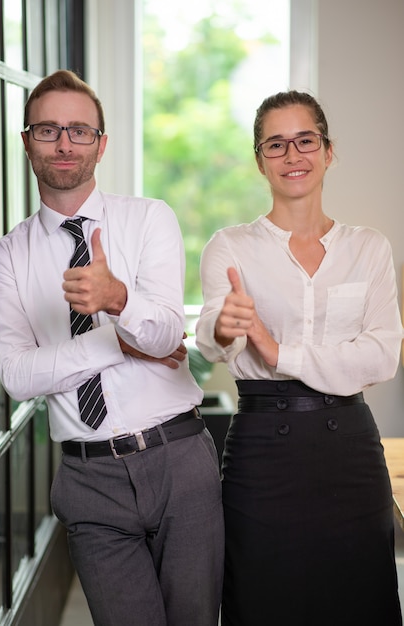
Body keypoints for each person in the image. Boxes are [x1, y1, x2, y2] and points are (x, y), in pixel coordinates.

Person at [0, 69, 224, 626]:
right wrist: (120, 340)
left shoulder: (149, 219)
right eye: (48, 130)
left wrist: (118, 297)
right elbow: (17, 378)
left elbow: (168, 336)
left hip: (179, 462)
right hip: (88, 480)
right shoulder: (8, 256)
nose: (64, 143)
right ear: (26, 141)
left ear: (102, 142)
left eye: (79, 130)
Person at [195, 90, 403, 626]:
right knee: (263, 602)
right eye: (276, 144)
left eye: (305, 140)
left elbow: (381, 357)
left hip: (351, 453)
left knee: (361, 603)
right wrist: (225, 329)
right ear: (260, 159)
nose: (293, 155)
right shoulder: (231, 246)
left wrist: (278, 350)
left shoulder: (369, 248)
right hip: (263, 456)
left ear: (328, 151)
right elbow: (216, 341)